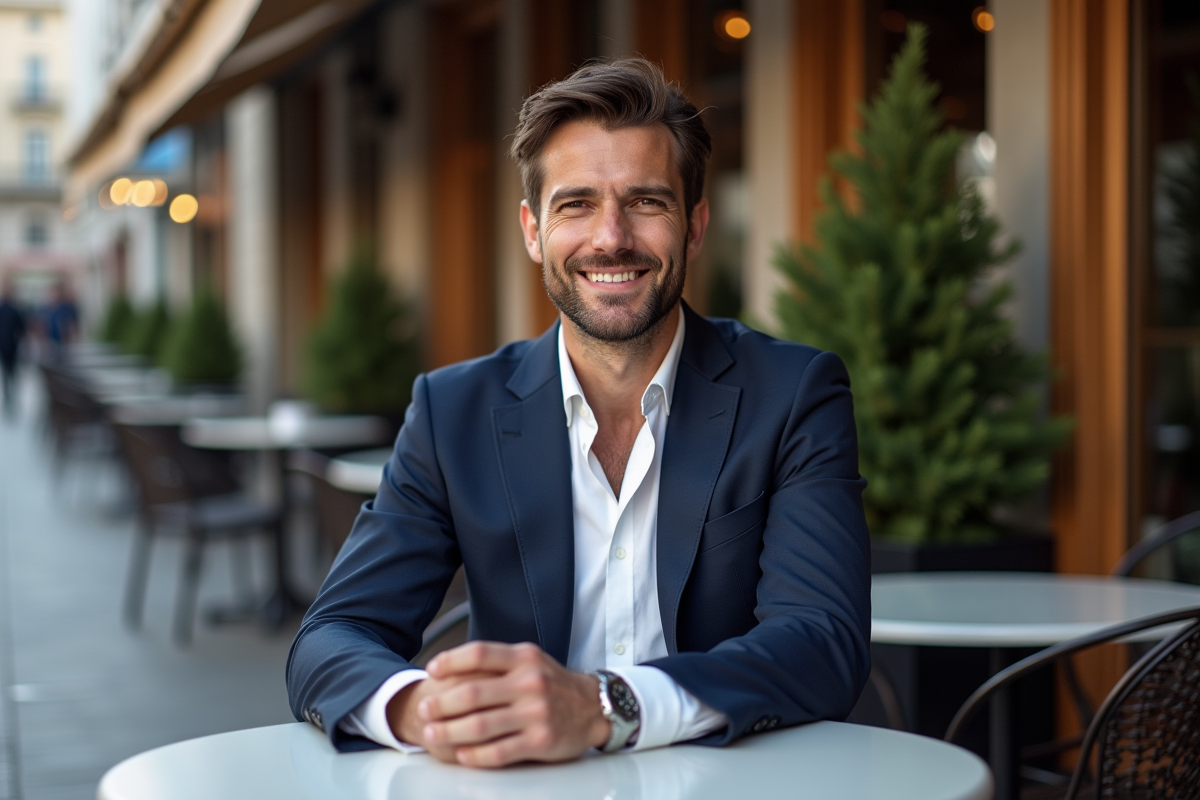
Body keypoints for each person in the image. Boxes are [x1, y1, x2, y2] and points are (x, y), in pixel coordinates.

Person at [287, 58, 870, 768]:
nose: (610, 237)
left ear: (695, 226)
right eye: (576, 205)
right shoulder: (452, 412)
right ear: (533, 230)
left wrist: (604, 707)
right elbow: (331, 636)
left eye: (647, 202)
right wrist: (429, 711)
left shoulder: (794, 393)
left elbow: (823, 641)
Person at [0, 278, 26, 417]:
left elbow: (21, 329)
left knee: (8, 375)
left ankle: (9, 400)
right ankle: (11, 400)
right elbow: (22, 330)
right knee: (11, 375)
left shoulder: (12, 310)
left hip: (7, 347)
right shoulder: (15, 309)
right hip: (10, 347)